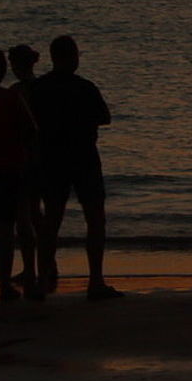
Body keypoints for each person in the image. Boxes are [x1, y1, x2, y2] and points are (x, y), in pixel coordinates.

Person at [30, 34, 120, 299]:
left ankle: (42, 280)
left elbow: (30, 123)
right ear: (71, 57)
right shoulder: (84, 87)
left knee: (52, 220)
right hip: (83, 158)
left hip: (51, 159)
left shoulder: (40, 88)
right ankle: (95, 280)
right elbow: (105, 117)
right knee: (94, 218)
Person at [0, 49, 38, 302]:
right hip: (6, 171)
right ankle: (4, 285)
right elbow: (31, 131)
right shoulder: (11, 98)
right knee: (4, 230)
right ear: (3, 72)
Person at [6, 44, 40, 293]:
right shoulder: (43, 88)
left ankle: (30, 269)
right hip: (43, 158)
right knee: (38, 214)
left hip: (23, 158)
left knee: (24, 217)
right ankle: (48, 264)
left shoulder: (16, 92)